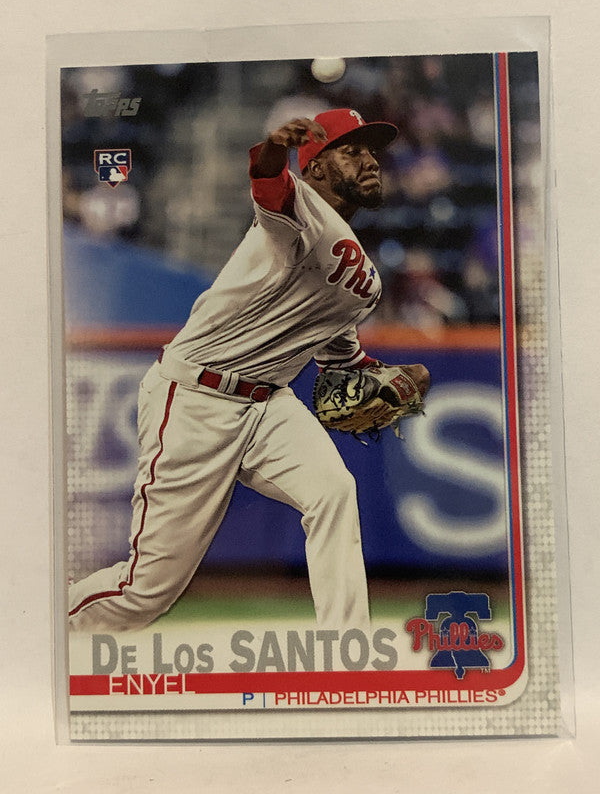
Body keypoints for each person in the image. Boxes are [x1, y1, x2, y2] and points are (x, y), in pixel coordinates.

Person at [68, 108, 430, 635]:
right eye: (352, 151)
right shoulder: (300, 211)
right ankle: (39, 624)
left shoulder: (365, 281)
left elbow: (342, 363)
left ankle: (346, 652)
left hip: (269, 405)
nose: (370, 161)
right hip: (195, 396)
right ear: (316, 168)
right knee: (144, 593)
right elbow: (269, 184)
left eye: (371, 152)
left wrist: (397, 378)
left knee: (333, 491)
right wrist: (275, 147)